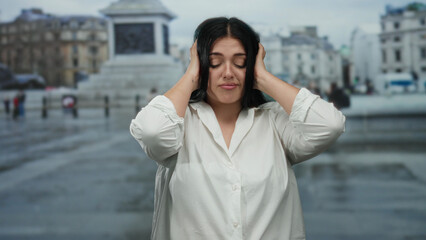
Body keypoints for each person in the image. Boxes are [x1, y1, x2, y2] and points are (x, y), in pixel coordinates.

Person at [130, 17, 345, 240]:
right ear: (200, 63)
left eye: (240, 61)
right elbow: (151, 131)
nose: (228, 73)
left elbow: (330, 125)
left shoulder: (274, 123)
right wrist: (191, 75)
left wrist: (262, 78)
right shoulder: (179, 125)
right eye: (215, 61)